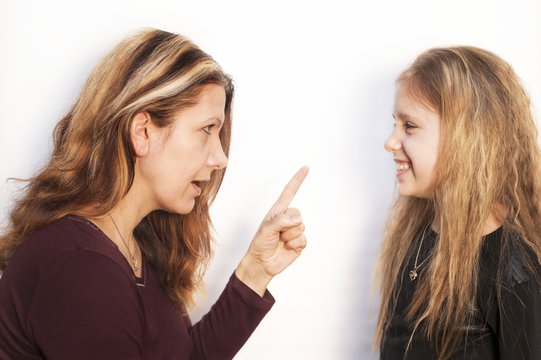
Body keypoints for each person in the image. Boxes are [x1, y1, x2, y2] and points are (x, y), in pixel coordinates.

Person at [0, 28, 309, 359]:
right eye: (207, 129)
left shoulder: (132, 244)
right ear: (142, 132)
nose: (220, 158)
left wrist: (256, 270)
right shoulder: (82, 270)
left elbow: (185, 356)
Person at [375, 46, 541, 359]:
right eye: (395, 124)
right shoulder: (417, 237)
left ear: (466, 138)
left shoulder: (513, 271)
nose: (391, 142)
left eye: (409, 126)